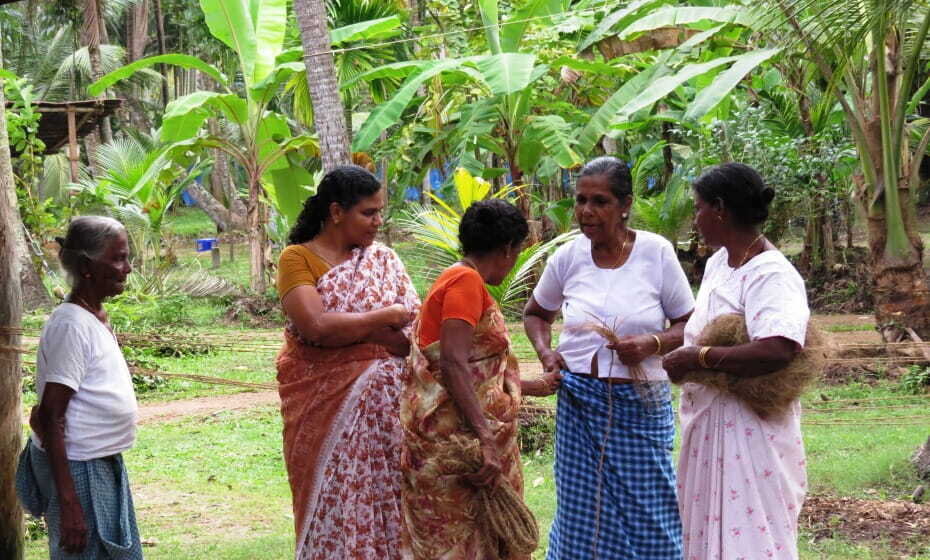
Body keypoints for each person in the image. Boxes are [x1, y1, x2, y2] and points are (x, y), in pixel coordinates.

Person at [523, 157, 695, 559]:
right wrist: (547, 353)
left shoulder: (656, 253)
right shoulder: (569, 256)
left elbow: (690, 322)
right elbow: (536, 313)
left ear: (625, 205)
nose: (586, 211)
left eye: (599, 201)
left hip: (640, 404)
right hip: (580, 403)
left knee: (650, 509)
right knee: (582, 509)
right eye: (581, 200)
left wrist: (651, 343)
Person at [663, 162, 809, 559]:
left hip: (748, 428)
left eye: (698, 208)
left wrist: (700, 357)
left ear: (720, 209)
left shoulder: (770, 274)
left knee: (751, 534)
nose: (695, 219)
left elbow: (779, 347)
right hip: (708, 425)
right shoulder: (717, 264)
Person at [401, 199, 561, 560]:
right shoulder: (466, 282)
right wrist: (487, 439)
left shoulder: (454, 278)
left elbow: (472, 370)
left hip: (442, 438)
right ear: (507, 249)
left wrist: (529, 387)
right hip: (457, 446)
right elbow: (454, 364)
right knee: (462, 543)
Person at [275, 165, 420, 559]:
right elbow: (317, 326)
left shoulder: (382, 262)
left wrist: (363, 329)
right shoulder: (297, 259)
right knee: (331, 502)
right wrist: (380, 318)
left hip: (387, 418)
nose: (377, 222)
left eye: (379, 213)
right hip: (322, 410)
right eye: (368, 213)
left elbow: (408, 340)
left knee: (389, 502)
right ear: (337, 212)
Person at [16, 216, 143, 560]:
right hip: (78, 468)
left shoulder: (93, 316)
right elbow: (51, 416)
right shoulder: (71, 325)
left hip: (99, 462)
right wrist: (69, 503)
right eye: (118, 258)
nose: (127, 268)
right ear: (87, 266)